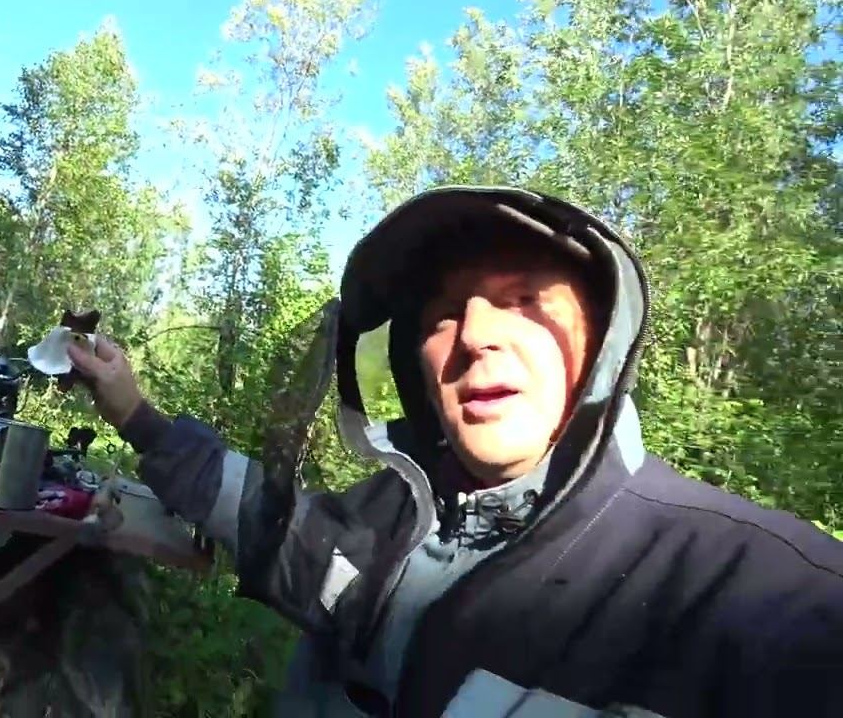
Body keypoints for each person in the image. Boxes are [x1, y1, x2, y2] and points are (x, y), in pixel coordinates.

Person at [65, 186, 843, 717]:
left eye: (523, 300)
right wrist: (132, 409)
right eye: (442, 314)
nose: (473, 335)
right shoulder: (383, 521)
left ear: (601, 347)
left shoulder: (760, 599)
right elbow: (263, 520)